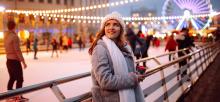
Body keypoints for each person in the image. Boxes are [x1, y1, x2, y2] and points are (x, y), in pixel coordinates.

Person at [88, 12, 145, 102]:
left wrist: (136, 72)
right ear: (104, 28)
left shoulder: (124, 47)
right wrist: (133, 78)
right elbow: (105, 81)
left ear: (121, 29)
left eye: (115, 25)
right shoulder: (100, 49)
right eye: (107, 24)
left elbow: (126, 71)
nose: (111, 27)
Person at [4, 20, 28, 100]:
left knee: (12, 77)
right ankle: (18, 96)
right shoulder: (14, 37)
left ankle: (9, 94)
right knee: (20, 79)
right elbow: (17, 50)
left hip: (8, 61)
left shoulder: (6, 36)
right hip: (14, 61)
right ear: (14, 26)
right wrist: (23, 62)